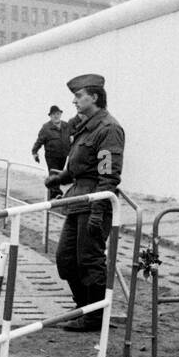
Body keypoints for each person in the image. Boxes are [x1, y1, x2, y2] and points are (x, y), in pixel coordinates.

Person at [45, 74, 125, 332]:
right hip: (78, 199)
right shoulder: (85, 126)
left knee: (89, 261)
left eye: (79, 95)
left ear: (95, 97)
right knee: (66, 259)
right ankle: (83, 307)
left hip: (94, 203)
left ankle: (94, 317)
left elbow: (108, 175)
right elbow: (79, 165)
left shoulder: (108, 129)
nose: (74, 100)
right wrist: (59, 177)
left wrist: (97, 212)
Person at [32, 105, 74, 200]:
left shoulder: (66, 125)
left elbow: (73, 133)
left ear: (61, 114)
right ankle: (56, 194)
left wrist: (73, 138)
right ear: (50, 116)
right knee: (53, 173)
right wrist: (34, 152)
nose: (56, 116)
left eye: (58, 114)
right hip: (51, 156)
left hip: (63, 155)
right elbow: (39, 141)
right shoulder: (46, 128)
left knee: (59, 174)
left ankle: (53, 193)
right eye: (54, 114)